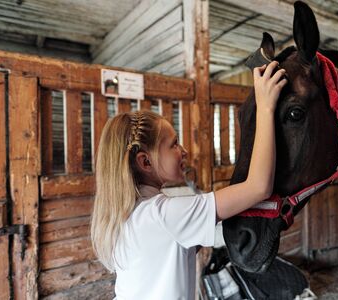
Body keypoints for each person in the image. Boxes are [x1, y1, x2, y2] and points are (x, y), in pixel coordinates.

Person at [90, 61, 287, 300]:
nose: (183, 150)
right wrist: (266, 107)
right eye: (173, 144)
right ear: (145, 162)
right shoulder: (165, 214)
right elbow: (258, 186)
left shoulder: (127, 213)